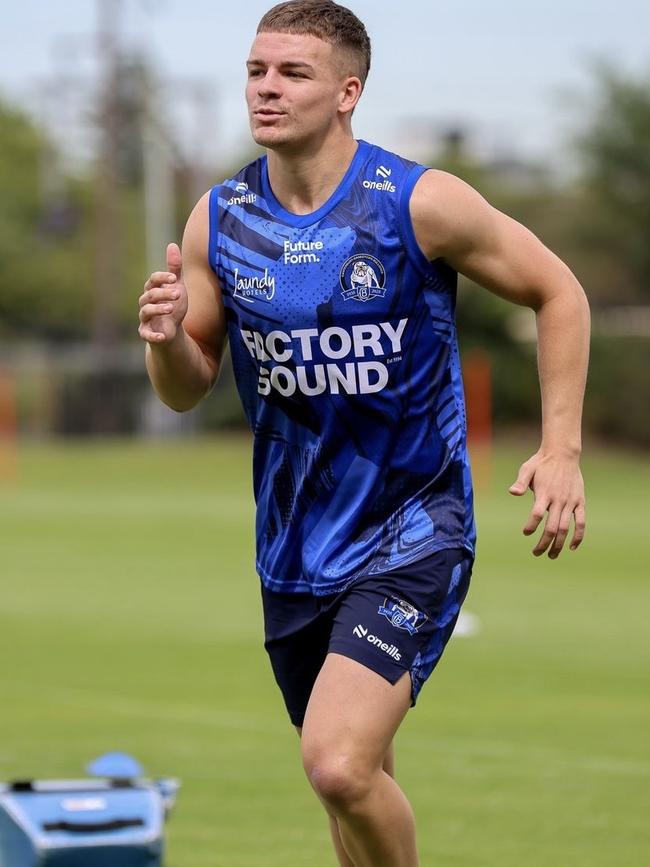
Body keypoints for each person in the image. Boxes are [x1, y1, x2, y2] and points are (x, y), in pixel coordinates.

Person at [138, 2, 590, 864]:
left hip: (414, 529)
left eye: (293, 73)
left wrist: (561, 445)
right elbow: (188, 390)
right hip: (294, 549)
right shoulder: (219, 219)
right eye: (256, 70)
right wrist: (165, 343)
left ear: (348, 92)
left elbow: (558, 291)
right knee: (356, 781)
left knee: (337, 765)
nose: (267, 89)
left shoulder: (418, 202)